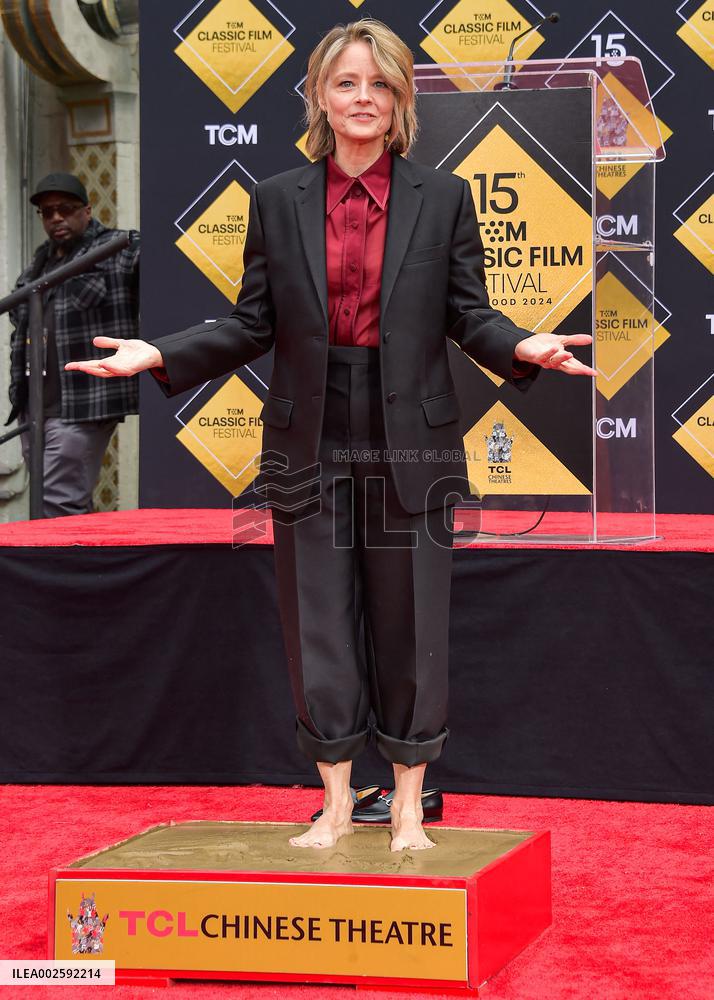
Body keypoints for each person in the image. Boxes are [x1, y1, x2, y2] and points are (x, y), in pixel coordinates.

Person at [66, 20, 596, 851]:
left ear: (400, 100)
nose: (363, 99)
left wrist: (521, 344)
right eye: (347, 83)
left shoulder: (443, 197)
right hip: (308, 432)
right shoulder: (277, 199)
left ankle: (411, 805)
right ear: (319, 95)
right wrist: (159, 352)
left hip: (410, 433)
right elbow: (251, 325)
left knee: (410, 620)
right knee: (317, 619)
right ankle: (340, 803)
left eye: (379, 85)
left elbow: (469, 313)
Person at [6, 172, 140, 517]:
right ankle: (87, 568)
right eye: (47, 212)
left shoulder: (114, 250)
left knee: (57, 501)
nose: (56, 218)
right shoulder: (39, 263)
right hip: (34, 404)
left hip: (84, 403)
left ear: (87, 211)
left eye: (65, 209)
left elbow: (154, 258)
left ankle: (58, 569)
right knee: (57, 500)